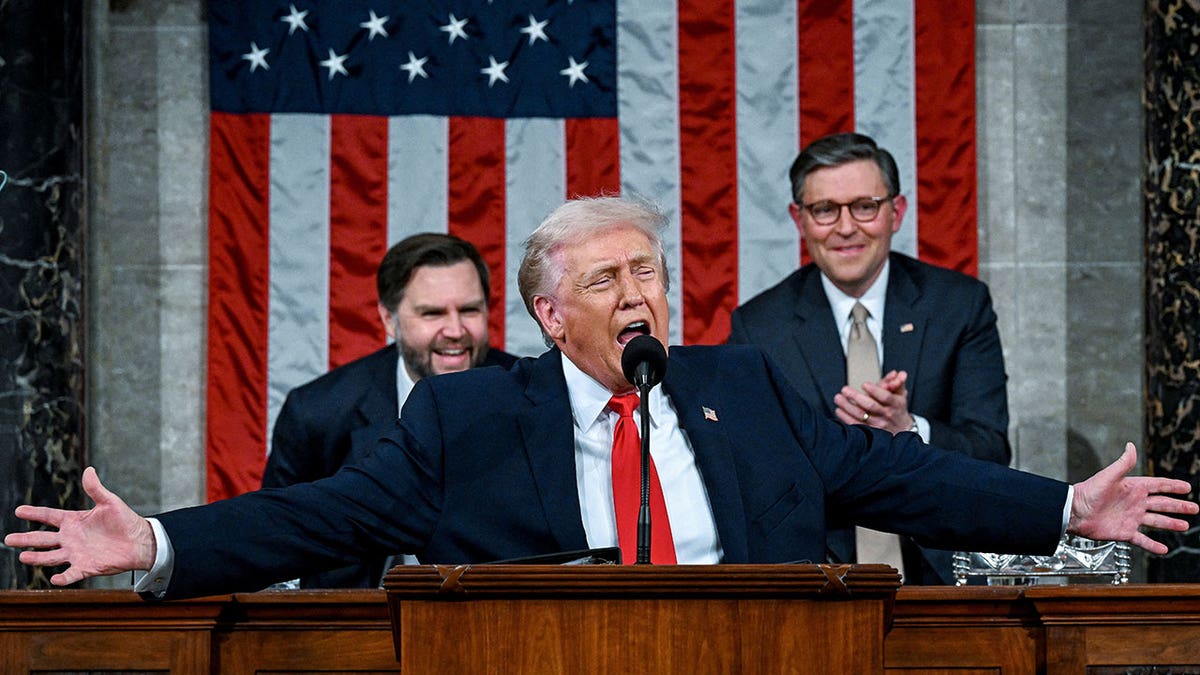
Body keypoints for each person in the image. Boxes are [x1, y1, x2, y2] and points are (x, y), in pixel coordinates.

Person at [5, 196, 1195, 601]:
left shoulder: (745, 384)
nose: (639, 294)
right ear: (547, 314)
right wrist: (158, 540)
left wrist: (1059, 511)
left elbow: (902, 478)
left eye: (651, 272)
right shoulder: (470, 417)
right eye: (607, 278)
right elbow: (317, 517)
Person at [728, 132, 1006, 584]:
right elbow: (749, 474)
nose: (845, 227)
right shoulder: (758, 327)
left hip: (942, 574)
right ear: (799, 219)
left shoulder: (958, 306)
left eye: (864, 206)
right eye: (825, 210)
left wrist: (908, 430)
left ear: (896, 212)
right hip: (816, 579)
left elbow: (991, 449)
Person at [262, 233, 517, 588]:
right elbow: (276, 539)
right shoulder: (317, 413)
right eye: (433, 313)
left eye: (470, 310)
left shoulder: (531, 396)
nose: (456, 330)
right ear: (388, 319)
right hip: (356, 623)